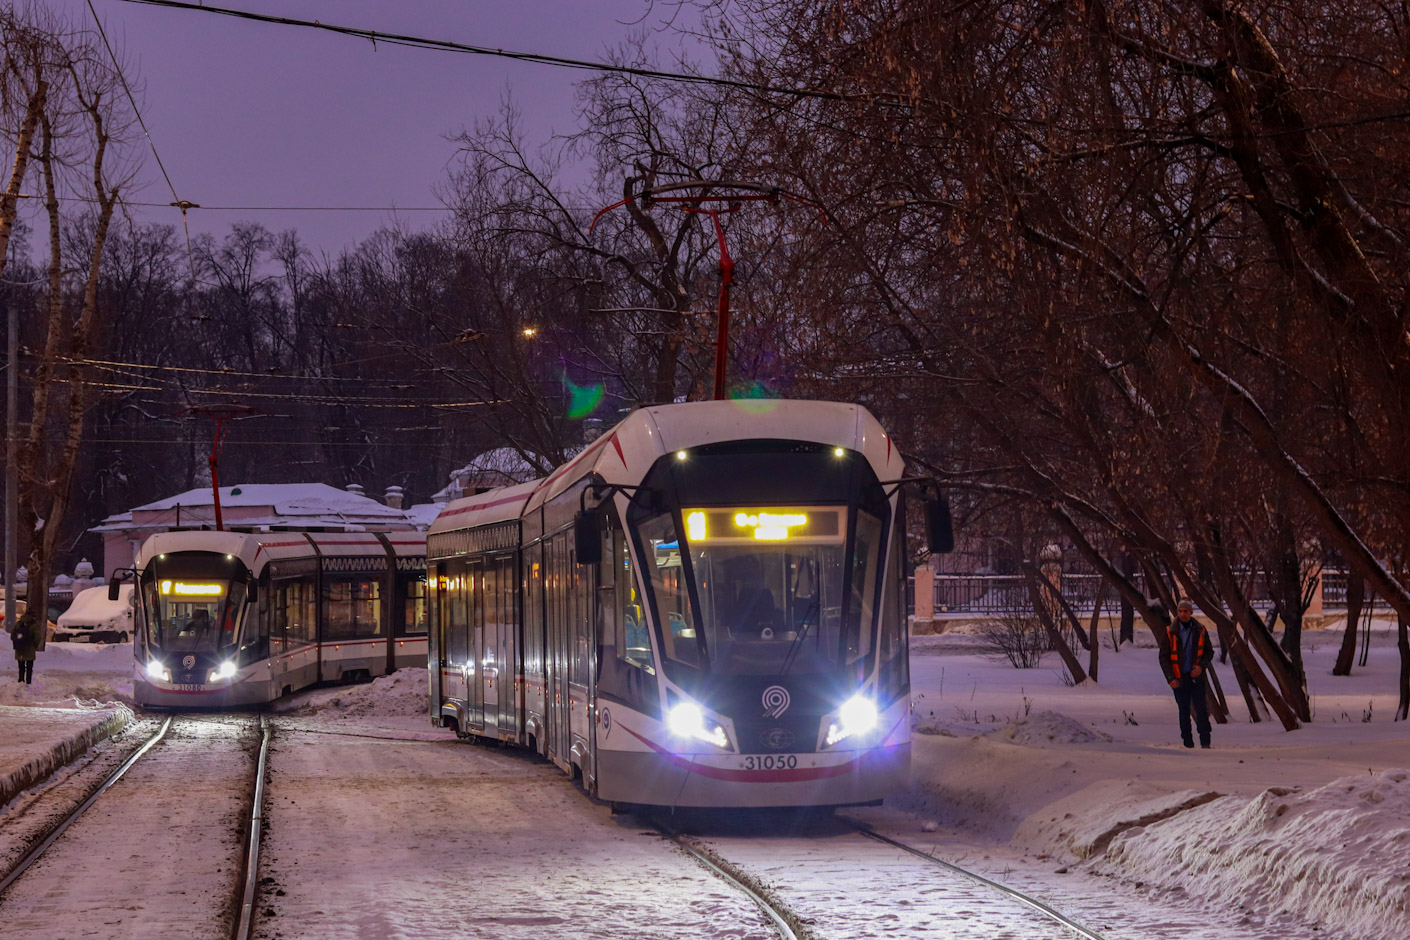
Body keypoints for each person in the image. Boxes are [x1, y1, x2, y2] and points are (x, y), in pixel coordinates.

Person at [1161, 598, 1214, 749]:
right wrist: (1170, 678)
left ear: (1191, 612)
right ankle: (1188, 743)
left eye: (1186, 611)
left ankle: (1205, 742)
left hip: (1197, 677)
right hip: (1179, 678)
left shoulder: (1200, 630)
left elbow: (1209, 652)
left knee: (1202, 710)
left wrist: (1201, 667)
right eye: (1180, 611)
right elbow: (1163, 658)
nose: (1183, 614)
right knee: (1184, 711)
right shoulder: (1170, 632)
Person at [9, 607, 40, 685]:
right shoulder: (34, 625)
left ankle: (21, 681)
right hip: (30, 648)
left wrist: (17, 642)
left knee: (21, 667)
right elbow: (37, 637)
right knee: (29, 667)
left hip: (19, 649)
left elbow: (12, 635)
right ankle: (28, 682)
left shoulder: (18, 623)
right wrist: (35, 645)